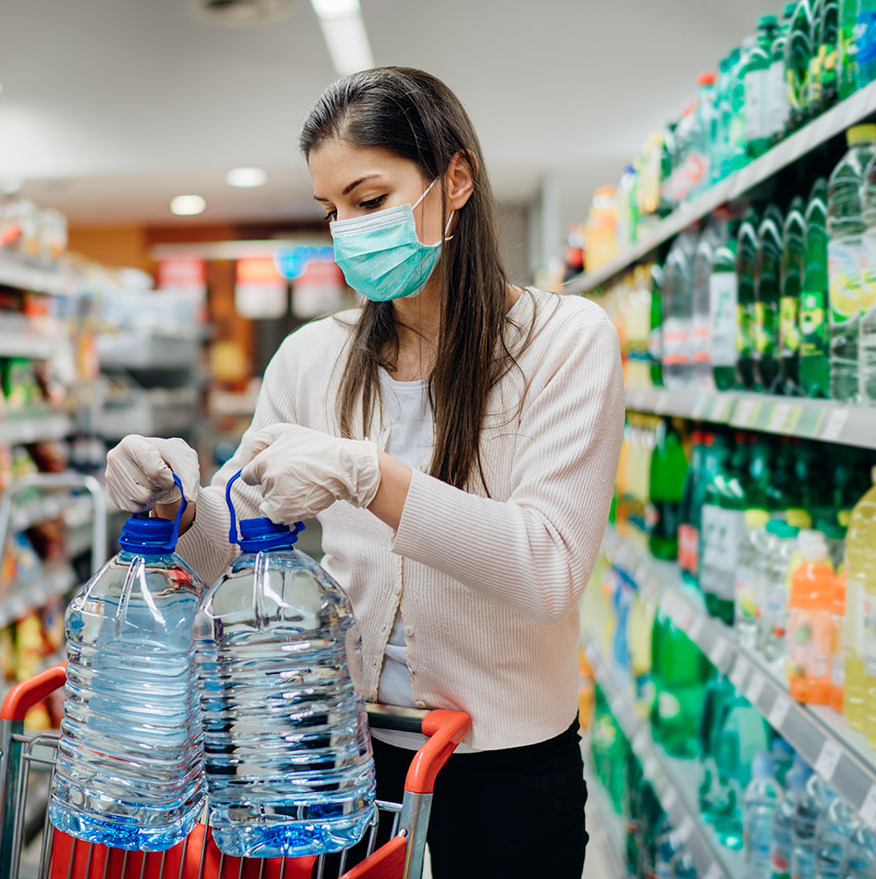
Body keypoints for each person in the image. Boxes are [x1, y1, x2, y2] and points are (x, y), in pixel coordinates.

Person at [104, 66, 624, 878]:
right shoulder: (313, 358)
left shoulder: (566, 342)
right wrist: (172, 503)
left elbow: (547, 566)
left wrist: (364, 473)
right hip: (334, 762)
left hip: (506, 770)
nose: (347, 230)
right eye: (331, 209)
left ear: (455, 179)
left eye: (370, 199)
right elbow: (221, 550)